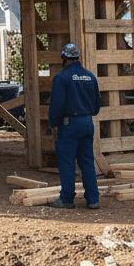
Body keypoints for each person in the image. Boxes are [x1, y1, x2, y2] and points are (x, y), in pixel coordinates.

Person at [47, 42, 102, 210]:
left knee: (67, 162)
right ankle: (93, 199)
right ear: (78, 57)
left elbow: (56, 105)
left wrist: (53, 123)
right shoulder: (90, 76)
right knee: (87, 162)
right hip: (87, 122)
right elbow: (97, 104)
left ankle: (67, 199)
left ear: (64, 58)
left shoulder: (62, 77)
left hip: (69, 125)